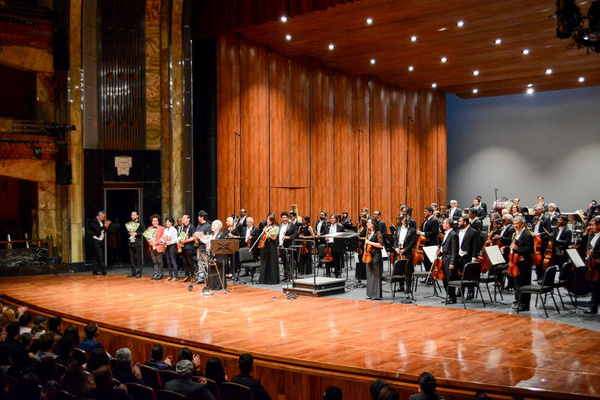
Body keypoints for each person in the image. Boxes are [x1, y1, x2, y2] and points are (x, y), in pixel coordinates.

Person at [510, 216, 534, 312]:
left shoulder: (527, 235)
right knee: (517, 283)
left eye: (517, 224)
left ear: (522, 224)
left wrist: (517, 249)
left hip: (524, 263)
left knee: (524, 283)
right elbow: (513, 246)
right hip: (516, 262)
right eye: (514, 224)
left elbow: (529, 250)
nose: (515, 226)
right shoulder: (515, 234)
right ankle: (518, 300)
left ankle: (524, 303)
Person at [455, 216, 481, 300]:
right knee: (458, 274)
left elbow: (476, 246)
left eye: (459, 221)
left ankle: (470, 291)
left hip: (468, 256)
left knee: (469, 275)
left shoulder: (473, 232)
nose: (458, 223)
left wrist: (474, 257)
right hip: (458, 255)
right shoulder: (458, 231)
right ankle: (460, 290)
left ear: (465, 222)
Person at [393, 215, 417, 298]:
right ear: (401, 221)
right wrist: (396, 248)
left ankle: (408, 288)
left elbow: (412, 242)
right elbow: (395, 240)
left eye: (407, 221)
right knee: (399, 269)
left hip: (407, 252)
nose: (405, 222)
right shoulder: (398, 229)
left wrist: (405, 250)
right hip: (398, 251)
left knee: (408, 271)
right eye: (404, 220)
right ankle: (401, 286)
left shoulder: (412, 230)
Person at [583, 216, 600, 314]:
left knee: (596, 286)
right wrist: (585, 234)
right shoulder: (593, 235)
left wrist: (594, 254)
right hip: (592, 264)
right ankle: (593, 306)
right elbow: (586, 245)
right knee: (594, 286)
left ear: (599, 225)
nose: (591, 227)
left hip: (598, 264)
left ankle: (594, 307)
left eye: (593, 225)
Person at [439, 218, 458, 304]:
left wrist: (452, 263)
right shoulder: (446, 234)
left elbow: (454, 250)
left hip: (449, 259)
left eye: (443, 223)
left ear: (448, 224)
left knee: (449, 278)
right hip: (444, 258)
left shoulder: (453, 234)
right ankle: (449, 296)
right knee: (444, 278)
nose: (442, 225)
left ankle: (452, 297)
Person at [365, 218, 384, 300]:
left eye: (368, 223)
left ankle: (376, 294)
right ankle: (370, 293)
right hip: (369, 255)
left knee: (375, 274)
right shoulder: (369, 233)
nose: (367, 224)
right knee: (369, 274)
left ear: (373, 224)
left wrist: (369, 242)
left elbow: (381, 245)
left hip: (376, 256)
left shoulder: (378, 233)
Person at [87, 210, 111, 275]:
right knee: (100, 255)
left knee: (96, 256)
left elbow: (103, 231)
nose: (104, 218)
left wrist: (107, 226)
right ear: (99, 216)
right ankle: (104, 270)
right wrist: (105, 225)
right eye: (103, 217)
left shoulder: (101, 222)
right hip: (96, 240)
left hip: (100, 240)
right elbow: (97, 230)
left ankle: (95, 270)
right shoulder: (94, 221)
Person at [259, 214, 280, 285]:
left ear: (272, 221)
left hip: (271, 245)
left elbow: (273, 238)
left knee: (271, 261)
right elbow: (263, 235)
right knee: (265, 262)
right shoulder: (266, 227)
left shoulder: (276, 228)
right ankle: (264, 279)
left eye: (269, 220)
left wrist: (267, 232)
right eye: (267, 220)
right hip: (265, 245)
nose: (267, 221)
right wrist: (264, 232)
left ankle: (272, 279)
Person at [207, 219, 228, 290]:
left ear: (219, 227)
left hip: (219, 256)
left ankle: (219, 286)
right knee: (211, 269)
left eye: (214, 225)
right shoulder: (211, 235)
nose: (212, 226)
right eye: (212, 225)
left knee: (219, 270)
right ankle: (212, 285)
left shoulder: (221, 235)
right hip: (212, 255)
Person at [417, 207, 438, 275]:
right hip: (426, 243)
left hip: (431, 243)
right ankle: (427, 276)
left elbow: (434, 232)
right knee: (426, 260)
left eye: (426, 211)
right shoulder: (426, 220)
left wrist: (422, 233)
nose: (424, 213)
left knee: (430, 261)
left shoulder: (434, 220)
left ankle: (432, 276)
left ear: (430, 212)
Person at [278, 212, 298, 281]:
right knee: (284, 262)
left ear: (288, 218)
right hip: (281, 246)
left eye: (285, 217)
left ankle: (290, 276)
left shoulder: (292, 225)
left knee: (289, 262)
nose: (284, 219)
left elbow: (296, 234)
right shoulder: (279, 225)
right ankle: (285, 275)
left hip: (289, 246)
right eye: (283, 218)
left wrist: (288, 237)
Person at [145, 214, 165, 280]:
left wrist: (155, 243)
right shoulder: (149, 228)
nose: (155, 222)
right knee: (154, 261)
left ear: (158, 221)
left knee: (160, 261)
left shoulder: (162, 228)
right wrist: (150, 243)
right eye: (154, 221)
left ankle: (160, 274)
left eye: (156, 221)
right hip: (152, 247)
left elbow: (163, 238)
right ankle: (156, 273)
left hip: (159, 246)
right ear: (152, 222)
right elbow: (147, 237)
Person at [325, 214, 345, 278]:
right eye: (330, 218)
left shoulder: (340, 227)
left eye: (333, 218)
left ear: (336, 219)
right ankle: (327, 273)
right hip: (328, 244)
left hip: (336, 244)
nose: (331, 219)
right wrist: (325, 238)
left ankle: (337, 273)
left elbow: (344, 234)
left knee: (336, 259)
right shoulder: (327, 226)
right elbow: (323, 234)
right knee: (327, 259)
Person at [194, 210, 212, 282]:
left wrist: (200, 236)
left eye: (199, 216)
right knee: (199, 261)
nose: (198, 218)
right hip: (198, 245)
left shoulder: (208, 226)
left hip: (205, 246)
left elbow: (208, 236)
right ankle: (201, 277)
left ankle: (209, 277)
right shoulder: (198, 225)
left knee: (206, 262)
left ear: (202, 217)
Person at [126, 211, 145, 278]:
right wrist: (129, 233)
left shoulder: (140, 223)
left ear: (137, 216)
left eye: (134, 215)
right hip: (131, 242)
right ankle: (133, 272)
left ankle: (139, 272)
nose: (132, 216)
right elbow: (127, 231)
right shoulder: (130, 224)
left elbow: (144, 232)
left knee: (138, 258)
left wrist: (137, 234)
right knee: (132, 258)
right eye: (132, 215)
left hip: (137, 243)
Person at [178, 214, 196, 283]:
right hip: (182, 247)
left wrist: (185, 241)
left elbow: (194, 237)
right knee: (184, 262)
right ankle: (186, 275)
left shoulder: (191, 226)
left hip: (189, 247)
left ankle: (193, 275)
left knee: (190, 261)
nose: (183, 219)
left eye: (184, 218)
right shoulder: (182, 227)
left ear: (188, 219)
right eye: (183, 218)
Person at [162, 217, 179, 281]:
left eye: (168, 222)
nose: (167, 223)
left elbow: (175, 239)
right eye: (166, 222)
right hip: (166, 246)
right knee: (168, 261)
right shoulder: (165, 229)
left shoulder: (174, 229)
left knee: (173, 260)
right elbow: (163, 237)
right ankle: (170, 275)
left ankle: (176, 276)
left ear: (171, 223)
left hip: (172, 245)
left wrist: (169, 242)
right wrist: (163, 241)